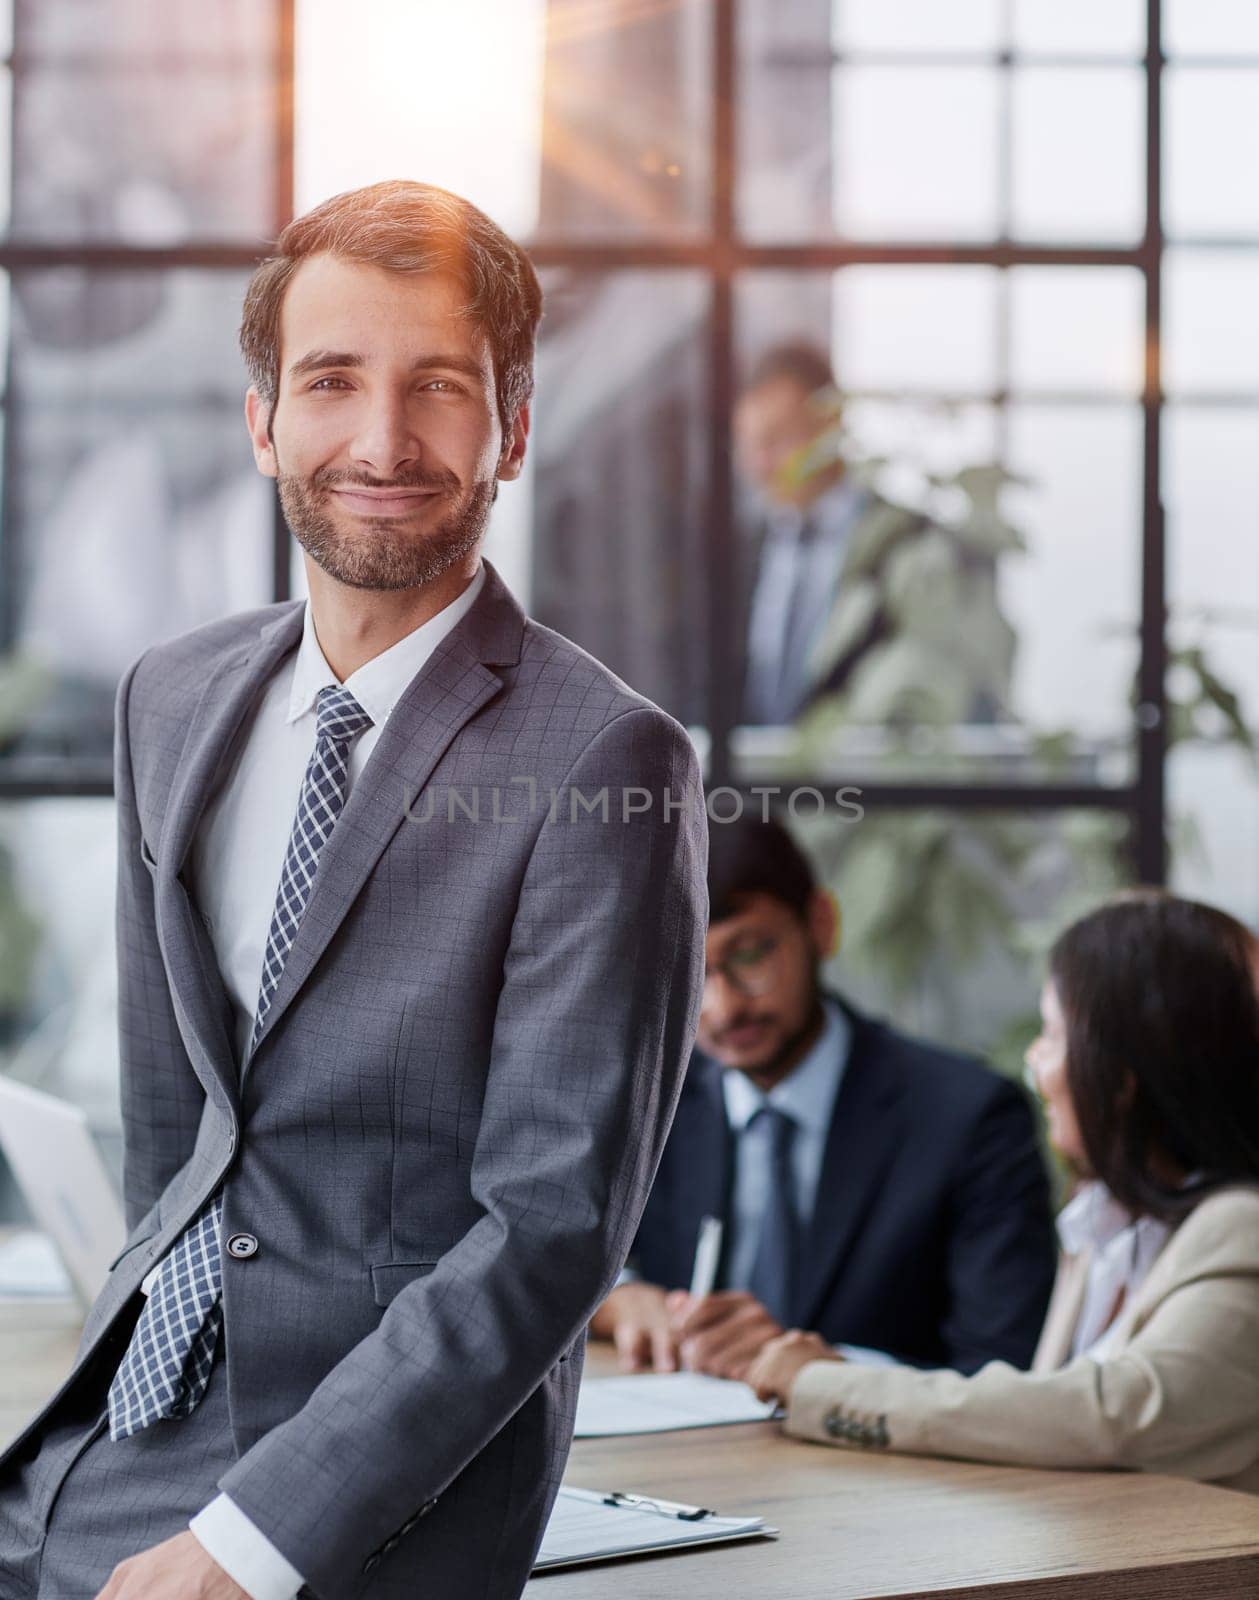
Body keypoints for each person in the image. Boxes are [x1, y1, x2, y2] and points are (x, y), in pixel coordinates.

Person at [0, 180, 708, 1600]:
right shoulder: (172, 696)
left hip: (375, 1503)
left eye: (437, 387)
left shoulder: (603, 758)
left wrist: (245, 1546)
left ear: (510, 424)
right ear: (262, 418)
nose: (380, 442)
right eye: (331, 381)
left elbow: (551, 1230)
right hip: (120, 1432)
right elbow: (167, 1126)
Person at [747, 892, 1259, 1495]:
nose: (1034, 1062)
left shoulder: (1240, 1226)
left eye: (1052, 1035)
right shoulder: (1103, 1226)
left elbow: (1114, 1417)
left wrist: (830, 1386)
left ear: (1121, 1076)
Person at [590, 814, 1056, 1379]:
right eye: (687, 973)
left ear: (821, 925)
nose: (724, 1006)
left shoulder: (969, 1118)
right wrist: (619, 1296)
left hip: (880, 1457)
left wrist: (816, 1373)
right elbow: (547, 1251)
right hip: (691, 1447)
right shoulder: (651, 1100)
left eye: (750, 955)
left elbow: (1002, 1370)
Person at [735, 342, 1012, 727]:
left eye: (778, 440)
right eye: (750, 446)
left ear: (831, 425)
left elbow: (963, 687)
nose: (762, 466)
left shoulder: (912, 541)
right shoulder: (740, 550)